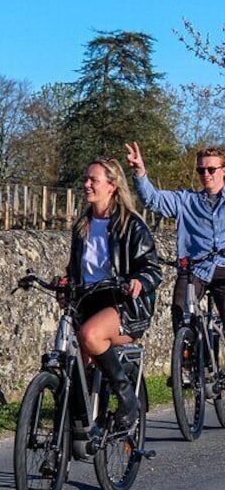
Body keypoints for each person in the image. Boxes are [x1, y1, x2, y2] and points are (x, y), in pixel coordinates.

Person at [65, 156, 161, 428]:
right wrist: (66, 283)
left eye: (93, 180)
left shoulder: (132, 225)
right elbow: (76, 269)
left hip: (124, 305)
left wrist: (139, 280)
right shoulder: (82, 226)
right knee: (71, 361)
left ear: (112, 186)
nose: (86, 184)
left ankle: (127, 396)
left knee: (89, 335)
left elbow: (152, 268)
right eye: (85, 179)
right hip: (89, 302)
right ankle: (77, 428)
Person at [126, 142, 225, 335]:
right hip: (195, 269)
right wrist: (140, 171)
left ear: (223, 171)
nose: (206, 174)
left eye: (211, 169)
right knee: (181, 313)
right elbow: (152, 200)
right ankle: (188, 360)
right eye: (201, 170)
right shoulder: (186, 201)